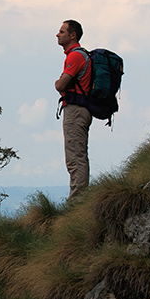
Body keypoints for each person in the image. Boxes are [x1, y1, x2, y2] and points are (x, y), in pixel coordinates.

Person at [55, 19, 92, 199]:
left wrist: (59, 83)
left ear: (73, 35)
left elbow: (60, 84)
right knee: (76, 155)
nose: (57, 35)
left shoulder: (75, 56)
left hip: (75, 110)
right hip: (79, 109)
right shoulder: (78, 55)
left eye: (62, 32)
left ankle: (78, 201)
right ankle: (78, 197)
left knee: (75, 157)